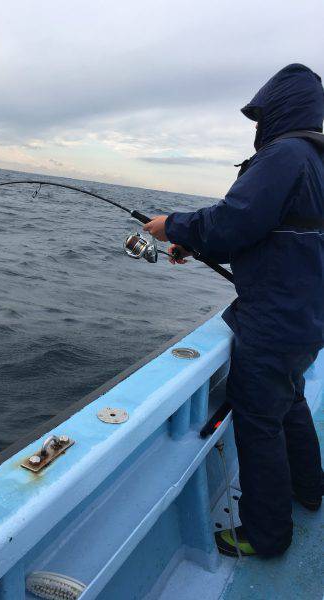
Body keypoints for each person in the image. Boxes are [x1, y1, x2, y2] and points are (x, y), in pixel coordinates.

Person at [143, 63, 324, 558]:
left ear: (280, 107)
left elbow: (232, 223)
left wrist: (172, 227)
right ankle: (310, 490)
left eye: (262, 113)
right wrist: (193, 243)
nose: (258, 124)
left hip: (273, 317)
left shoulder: (285, 154)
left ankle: (266, 536)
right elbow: (276, 232)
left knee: (259, 418)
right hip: (307, 314)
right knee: (291, 401)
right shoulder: (316, 160)